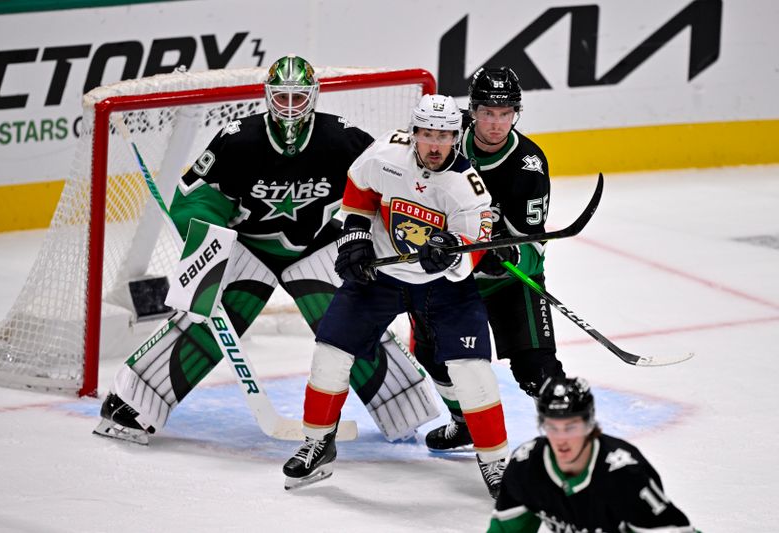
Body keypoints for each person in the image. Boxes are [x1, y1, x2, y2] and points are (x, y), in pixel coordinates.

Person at [92, 54, 439, 445]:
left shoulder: (342, 139)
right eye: (282, 97)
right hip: (249, 247)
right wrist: (209, 240)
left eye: (298, 98)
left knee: (352, 322)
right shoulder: (238, 138)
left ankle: (406, 407)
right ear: (268, 97)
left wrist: (395, 229)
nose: (290, 108)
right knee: (204, 316)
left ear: (314, 97)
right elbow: (195, 198)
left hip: (319, 247)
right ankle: (132, 402)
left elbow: (387, 184)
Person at [281, 93, 509, 499]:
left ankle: (495, 462)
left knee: (471, 369)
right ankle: (318, 442)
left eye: (444, 135)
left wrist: (450, 252)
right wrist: (355, 236)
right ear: (413, 132)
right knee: (330, 351)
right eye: (427, 134)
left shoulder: (467, 190)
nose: (434, 145)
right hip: (382, 275)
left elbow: (474, 250)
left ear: (457, 137)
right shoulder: (386, 153)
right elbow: (360, 189)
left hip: (444, 288)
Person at [416, 67, 565, 453]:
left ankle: (570, 445)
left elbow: (534, 250)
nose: (496, 123)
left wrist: (507, 254)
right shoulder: (445, 140)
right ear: (473, 110)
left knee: (537, 370)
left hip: (506, 280)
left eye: (505, 113)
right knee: (431, 354)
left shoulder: (528, 164)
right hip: (453, 279)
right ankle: (463, 422)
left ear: (516, 113)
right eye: (487, 112)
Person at [488, 377, 698, 532]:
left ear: (589, 425)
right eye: (553, 427)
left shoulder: (625, 475)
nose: (561, 440)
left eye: (570, 427)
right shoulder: (526, 466)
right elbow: (505, 529)